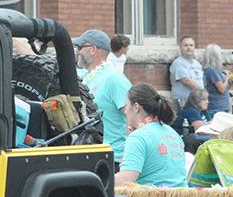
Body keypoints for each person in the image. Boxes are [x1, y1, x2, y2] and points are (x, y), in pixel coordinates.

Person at [77, 30, 133, 162]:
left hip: (114, 157)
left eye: (80, 47)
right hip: (92, 154)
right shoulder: (85, 76)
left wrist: (130, 157)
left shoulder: (114, 79)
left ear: (92, 50)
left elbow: (133, 117)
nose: (78, 52)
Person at [115, 83, 186, 187]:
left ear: (136, 107)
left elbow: (126, 180)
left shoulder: (138, 137)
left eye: (126, 105)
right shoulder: (172, 132)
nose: (125, 111)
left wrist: (99, 178)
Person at [169, 36, 203, 106]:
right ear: (180, 48)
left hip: (195, 102)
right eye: (185, 45)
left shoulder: (197, 64)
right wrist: (202, 93)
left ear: (194, 48)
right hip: (182, 103)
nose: (189, 47)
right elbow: (186, 81)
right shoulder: (178, 63)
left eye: (191, 45)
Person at [201, 44, 231, 118]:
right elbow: (221, 89)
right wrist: (227, 78)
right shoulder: (212, 71)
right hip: (216, 107)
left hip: (221, 106)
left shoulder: (216, 71)